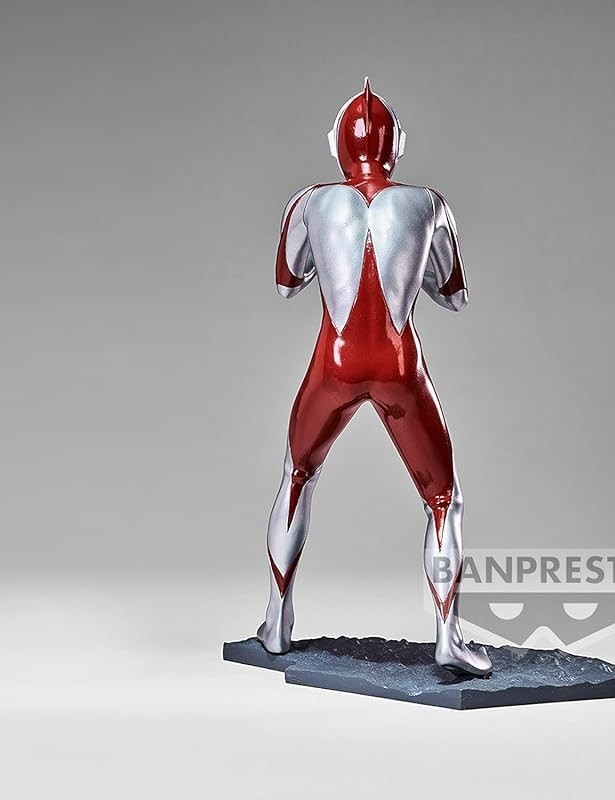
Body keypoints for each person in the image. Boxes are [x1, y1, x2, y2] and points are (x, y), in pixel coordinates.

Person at [258, 78, 491, 676]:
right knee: (443, 499)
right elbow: (455, 297)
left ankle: (277, 621)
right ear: (399, 146)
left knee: (298, 474)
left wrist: (329, 250)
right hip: (398, 364)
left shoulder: (309, 201)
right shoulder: (428, 203)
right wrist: (410, 259)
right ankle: (448, 635)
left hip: (334, 363)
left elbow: (287, 283)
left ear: (333, 143)